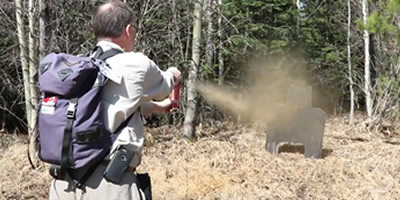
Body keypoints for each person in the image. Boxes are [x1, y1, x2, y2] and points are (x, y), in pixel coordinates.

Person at [48, 1, 181, 199]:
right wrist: (174, 74)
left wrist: (155, 108)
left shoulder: (78, 67)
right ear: (128, 30)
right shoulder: (136, 63)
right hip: (109, 186)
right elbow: (165, 85)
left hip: (63, 185)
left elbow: (104, 106)